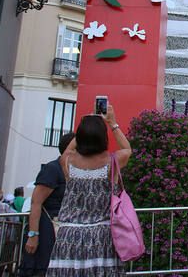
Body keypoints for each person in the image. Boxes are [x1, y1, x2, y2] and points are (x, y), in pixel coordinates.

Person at [46, 105, 132, 277]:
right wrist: (112, 123)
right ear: (103, 138)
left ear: (80, 136)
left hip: (69, 237)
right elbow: (127, 149)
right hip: (102, 237)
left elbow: (68, 150)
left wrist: (84, 127)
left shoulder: (67, 161)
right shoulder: (112, 163)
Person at [20, 133, 75, 277]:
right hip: (47, 229)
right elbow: (36, 202)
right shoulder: (52, 169)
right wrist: (33, 234)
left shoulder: (73, 171)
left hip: (63, 230)